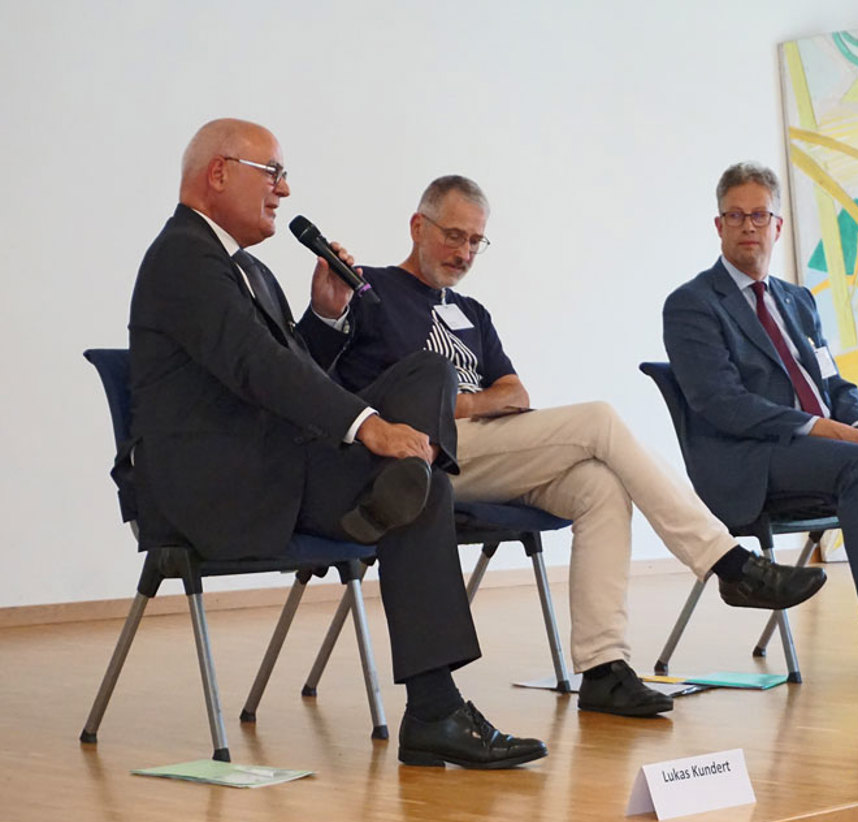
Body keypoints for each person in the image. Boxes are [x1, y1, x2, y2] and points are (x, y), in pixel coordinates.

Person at [297, 175, 827, 718]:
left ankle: (604, 670)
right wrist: (331, 316)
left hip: (480, 451)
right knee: (597, 420)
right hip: (410, 463)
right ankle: (728, 562)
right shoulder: (368, 290)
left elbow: (516, 393)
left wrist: (466, 404)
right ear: (418, 226)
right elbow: (312, 375)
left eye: (475, 242)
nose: (463, 253)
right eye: (453, 236)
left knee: (598, 485)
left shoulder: (471, 312)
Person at [127, 118, 545, 768]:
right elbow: (258, 370)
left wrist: (324, 318)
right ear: (218, 173)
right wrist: (365, 426)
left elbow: (293, 368)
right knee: (422, 491)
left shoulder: (249, 270)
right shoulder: (183, 257)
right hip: (227, 489)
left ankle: (399, 507)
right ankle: (435, 710)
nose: (285, 190)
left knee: (429, 377)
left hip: (281, 464)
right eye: (273, 173)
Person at [661, 162, 858, 699]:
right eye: (736, 215)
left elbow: (832, 380)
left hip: (820, 447)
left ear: (778, 225)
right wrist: (823, 429)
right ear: (718, 226)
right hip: (750, 457)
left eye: (759, 215)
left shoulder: (796, 300)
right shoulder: (692, 304)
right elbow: (722, 404)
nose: (748, 226)